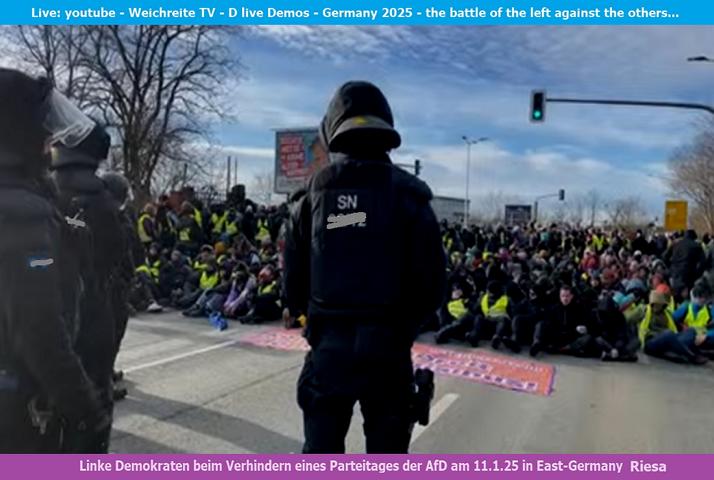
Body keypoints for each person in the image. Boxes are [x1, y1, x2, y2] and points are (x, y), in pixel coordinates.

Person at [284, 81, 446, 453]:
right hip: (388, 352)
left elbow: (293, 284)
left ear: (331, 132)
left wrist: (317, 326)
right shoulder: (411, 198)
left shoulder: (308, 200)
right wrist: (402, 329)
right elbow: (432, 285)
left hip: (328, 353)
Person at [0, 69, 108, 452]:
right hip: (17, 407)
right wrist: (85, 404)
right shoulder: (24, 212)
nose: (50, 143)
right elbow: (39, 328)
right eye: (43, 130)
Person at [50, 118, 125, 453]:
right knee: (89, 416)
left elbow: (32, 261)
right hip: (92, 318)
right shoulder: (102, 203)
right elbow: (113, 258)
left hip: (40, 318)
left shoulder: (42, 189)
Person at [100, 171, 138, 401]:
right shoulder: (93, 213)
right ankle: (101, 382)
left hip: (117, 282)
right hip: (103, 284)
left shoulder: (119, 216)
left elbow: (128, 249)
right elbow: (69, 223)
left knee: (115, 331)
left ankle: (106, 372)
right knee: (105, 335)